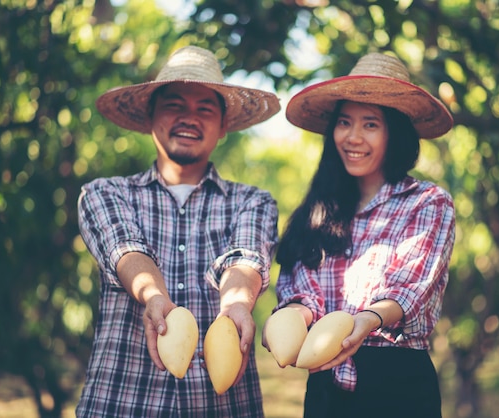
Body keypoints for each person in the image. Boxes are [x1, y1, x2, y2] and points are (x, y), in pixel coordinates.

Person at [76, 45, 280, 417]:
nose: (190, 118)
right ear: (150, 117)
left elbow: (245, 257)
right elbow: (125, 248)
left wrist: (236, 304)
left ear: (222, 129)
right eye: (174, 105)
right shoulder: (105, 193)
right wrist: (153, 296)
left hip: (221, 407)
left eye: (205, 109)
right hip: (122, 404)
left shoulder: (253, 202)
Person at [264, 52, 456, 417]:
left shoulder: (427, 202)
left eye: (370, 125)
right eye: (344, 122)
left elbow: (409, 288)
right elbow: (299, 286)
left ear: (394, 133)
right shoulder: (319, 209)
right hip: (324, 389)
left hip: (396, 387)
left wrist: (365, 321)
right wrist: (288, 317)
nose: (353, 137)